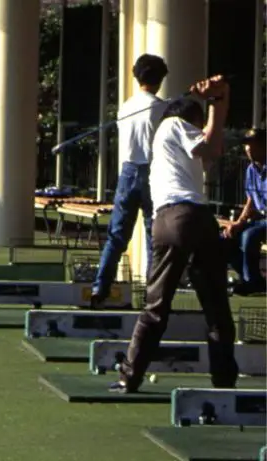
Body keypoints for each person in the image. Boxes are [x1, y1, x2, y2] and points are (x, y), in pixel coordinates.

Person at [111, 75, 237, 394]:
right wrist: (215, 103)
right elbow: (210, 142)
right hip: (197, 219)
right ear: (189, 119)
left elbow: (213, 145)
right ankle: (223, 380)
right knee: (216, 308)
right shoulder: (174, 125)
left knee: (156, 306)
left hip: (172, 220)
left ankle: (130, 376)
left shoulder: (170, 140)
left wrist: (218, 101)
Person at [91, 54, 169, 308]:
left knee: (117, 235)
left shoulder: (125, 106)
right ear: (159, 79)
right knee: (152, 235)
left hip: (127, 172)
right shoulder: (161, 107)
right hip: (151, 171)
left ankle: (100, 287)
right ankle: (152, 294)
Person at [223, 127, 266, 295]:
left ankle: (251, 282)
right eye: (246, 145)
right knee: (227, 237)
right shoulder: (250, 170)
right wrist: (238, 222)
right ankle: (253, 279)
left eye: (252, 145)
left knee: (249, 236)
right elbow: (251, 200)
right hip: (260, 218)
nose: (247, 149)